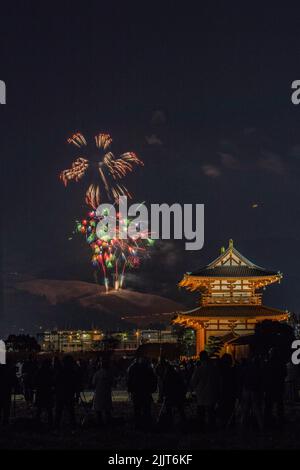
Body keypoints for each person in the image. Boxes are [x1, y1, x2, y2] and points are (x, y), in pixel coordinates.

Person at [127, 353, 157, 430]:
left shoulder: (133, 367)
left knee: (138, 408)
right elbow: (153, 379)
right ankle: (145, 423)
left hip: (138, 391)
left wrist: (130, 389)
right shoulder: (147, 368)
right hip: (144, 391)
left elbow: (129, 379)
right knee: (145, 408)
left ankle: (139, 424)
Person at [191, 350, 219, 431]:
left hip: (201, 394)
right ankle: (211, 427)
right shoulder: (214, 368)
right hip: (211, 393)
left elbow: (193, 381)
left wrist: (192, 388)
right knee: (211, 412)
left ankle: (201, 427)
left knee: (201, 412)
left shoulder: (199, 369)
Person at [263, 347, 287, 429]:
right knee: (279, 405)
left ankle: (268, 420)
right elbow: (284, 374)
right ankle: (280, 420)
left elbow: (264, 376)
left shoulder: (268, 363)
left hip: (270, 387)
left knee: (268, 405)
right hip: (279, 386)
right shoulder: (281, 363)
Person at [158, 362, 186, 429]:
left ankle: (170, 422)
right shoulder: (177, 375)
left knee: (169, 409)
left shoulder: (167, 376)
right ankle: (184, 421)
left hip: (170, 395)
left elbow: (165, 387)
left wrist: (163, 395)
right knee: (180, 409)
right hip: (177, 395)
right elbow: (181, 384)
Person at [54, 355, 79, 430]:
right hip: (68, 394)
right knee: (70, 412)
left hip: (61, 394)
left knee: (59, 412)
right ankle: (72, 427)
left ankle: (57, 427)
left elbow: (55, 381)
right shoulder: (72, 372)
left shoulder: (60, 371)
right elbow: (75, 383)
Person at [218, 353, 237, 428]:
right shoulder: (232, 370)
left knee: (224, 408)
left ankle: (223, 423)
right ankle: (231, 423)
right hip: (231, 392)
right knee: (230, 408)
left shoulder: (221, 371)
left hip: (224, 392)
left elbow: (220, 382)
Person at [92, 359, 113, 426]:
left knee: (98, 408)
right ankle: (108, 421)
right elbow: (112, 382)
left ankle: (99, 422)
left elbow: (93, 383)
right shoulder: (109, 373)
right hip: (106, 392)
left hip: (99, 392)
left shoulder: (97, 373)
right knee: (107, 408)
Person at [35, 358, 54, 427]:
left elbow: (36, 381)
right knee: (48, 409)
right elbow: (52, 381)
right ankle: (50, 422)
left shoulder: (40, 371)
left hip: (41, 391)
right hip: (47, 391)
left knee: (40, 409)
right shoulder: (49, 371)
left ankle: (37, 421)